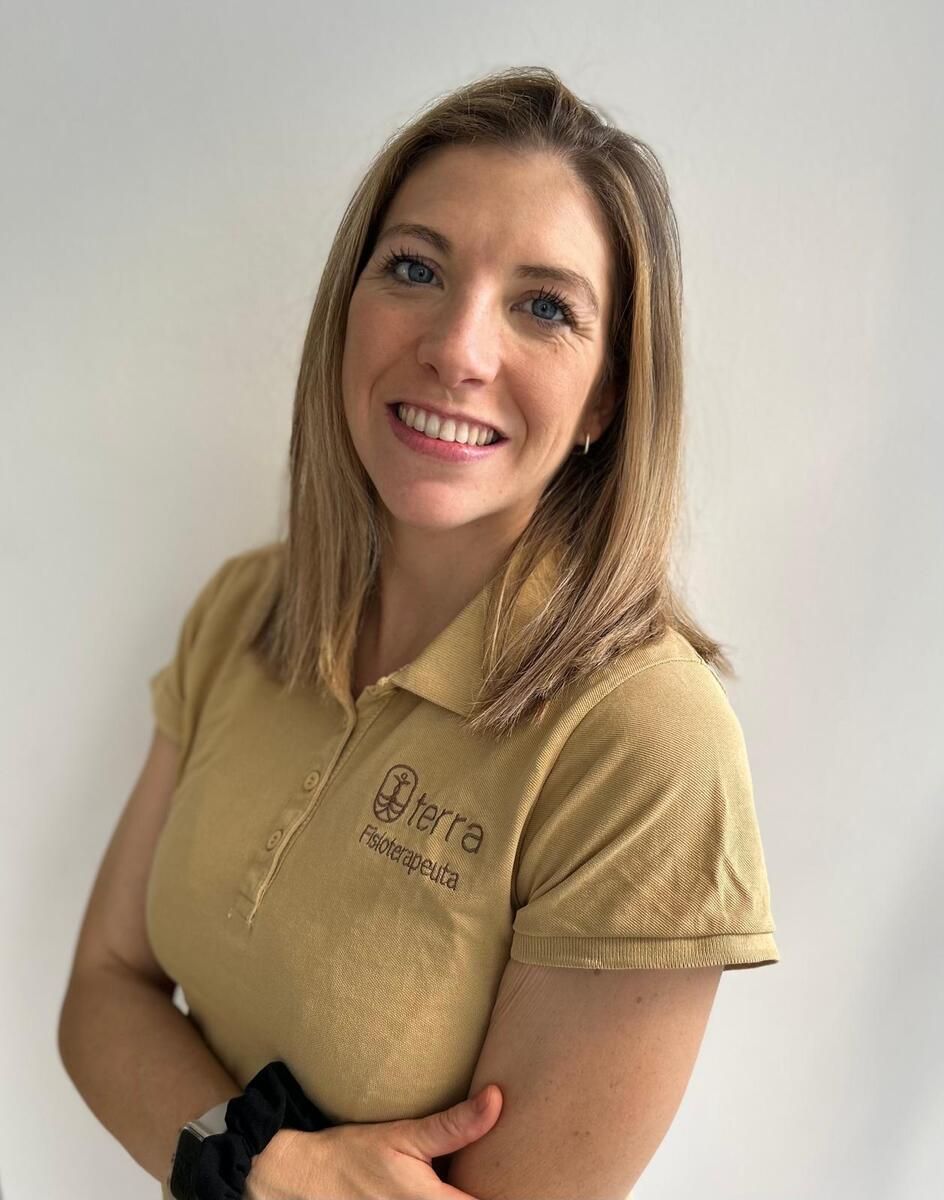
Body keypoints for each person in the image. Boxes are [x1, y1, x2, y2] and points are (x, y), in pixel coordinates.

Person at [58, 65, 780, 1200]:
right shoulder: (247, 609)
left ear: (604, 396)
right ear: (347, 308)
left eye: (542, 306)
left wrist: (207, 1147)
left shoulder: (642, 745)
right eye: (414, 268)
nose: (458, 347)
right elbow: (101, 992)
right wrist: (265, 1168)